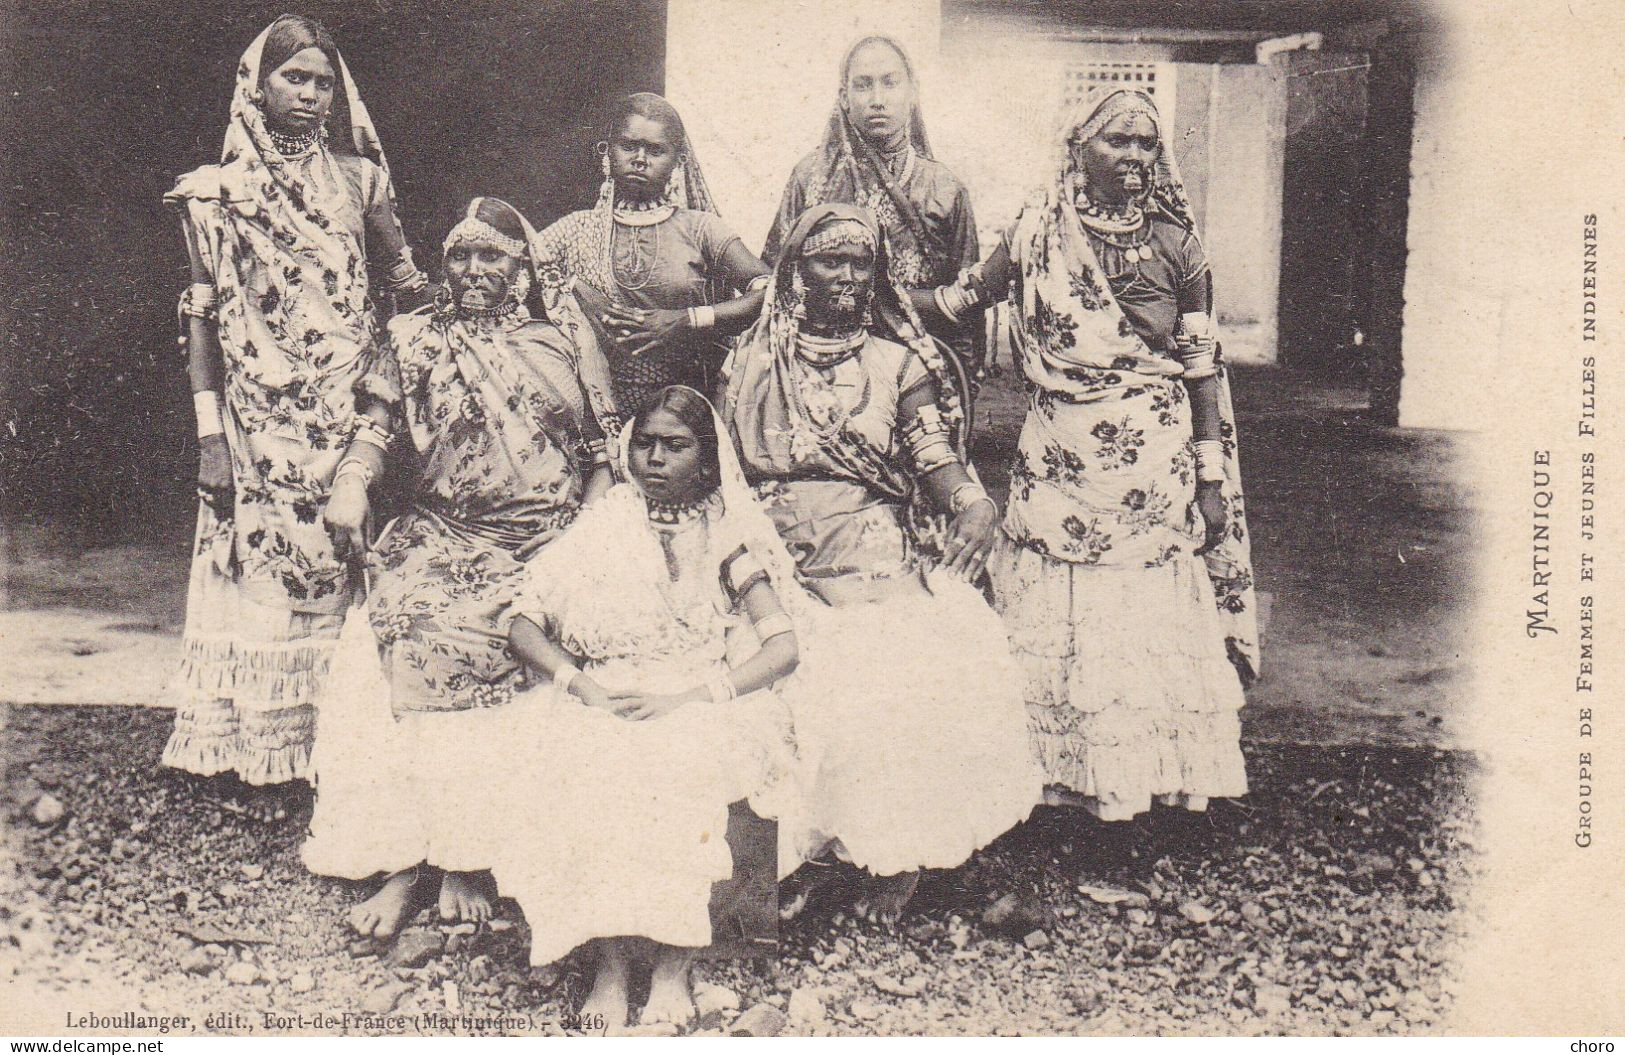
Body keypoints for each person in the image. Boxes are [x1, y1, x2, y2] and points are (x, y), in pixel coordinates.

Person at [922, 86, 1259, 821]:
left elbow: (1200, 366)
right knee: (1055, 614)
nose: (1134, 157)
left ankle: (1140, 792)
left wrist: (1209, 478)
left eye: (1145, 144)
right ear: (1077, 149)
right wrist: (861, 286)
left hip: (1155, 465)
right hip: (1057, 463)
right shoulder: (1036, 232)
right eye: (1117, 142)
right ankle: (1046, 787)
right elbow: (955, 303)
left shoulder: (1179, 244)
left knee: (1142, 620)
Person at [301, 197, 619, 937]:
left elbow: (604, 455)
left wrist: (584, 541)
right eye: (461, 256)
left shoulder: (563, 335)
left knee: (525, 630)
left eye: (493, 258)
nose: (475, 271)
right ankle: (408, 860)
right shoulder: (414, 338)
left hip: (548, 539)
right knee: (407, 624)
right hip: (444, 534)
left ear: (523, 266)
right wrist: (350, 483)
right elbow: (373, 429)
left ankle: (472, 857)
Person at [722, 203, 1041, 924]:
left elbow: (935, 458)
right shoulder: (746, 360)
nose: (842, 275)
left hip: (866, 550)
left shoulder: (897, 364)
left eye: (857, 261)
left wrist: (972, 502)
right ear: (794, 270)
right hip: (763, 546)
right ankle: (793, 868)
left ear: (877, 275)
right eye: (826, 260)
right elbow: (721, 474)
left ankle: (891, 858)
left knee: (897, 667)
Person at [161, 15, 428, 799]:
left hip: (345, 421)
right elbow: (202, 317)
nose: (311, 96)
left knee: (339, 570)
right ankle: (260, 756)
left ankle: (337, 755)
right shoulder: (212, 195)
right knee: (263, 576)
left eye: (322, 82)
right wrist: (211, 438)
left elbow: (407, 288)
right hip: (253, 424)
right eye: (294, 80)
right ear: (258, 86)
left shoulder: (359, 179)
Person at [490, 386, 803, 1032]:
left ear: (708, 458)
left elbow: (781, 646)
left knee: (680, 761)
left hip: (693, 692)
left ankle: (672, 966)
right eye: (644, 443)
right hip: (605, 686)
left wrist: (694, 696)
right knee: (586, 754)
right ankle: (610, 964)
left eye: (675, 445)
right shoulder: (605, 521)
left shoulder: (727, 536)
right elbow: (524, 622)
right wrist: (580, 684)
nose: (655, 458)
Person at [761, 35, 985, 385]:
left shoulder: (945, 188)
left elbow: (966, 304)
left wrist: (962, 384)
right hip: (821, 369)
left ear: (912, 94)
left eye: (890, 83)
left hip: (923, 371)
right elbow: (777, 282)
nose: (877, 100)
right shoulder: (810, 177)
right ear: (844, 98)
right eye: (863, 86)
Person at [532, 93, 770, 412]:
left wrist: (687, 320)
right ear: (607, 151)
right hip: (596, 408)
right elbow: (514, 272)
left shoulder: (701, 229)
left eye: (655, 150)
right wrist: (575, 290)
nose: (640, 159)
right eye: (629, 146)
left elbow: (771, 291)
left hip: (683, 408)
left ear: (679, 160)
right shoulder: (573, 230)